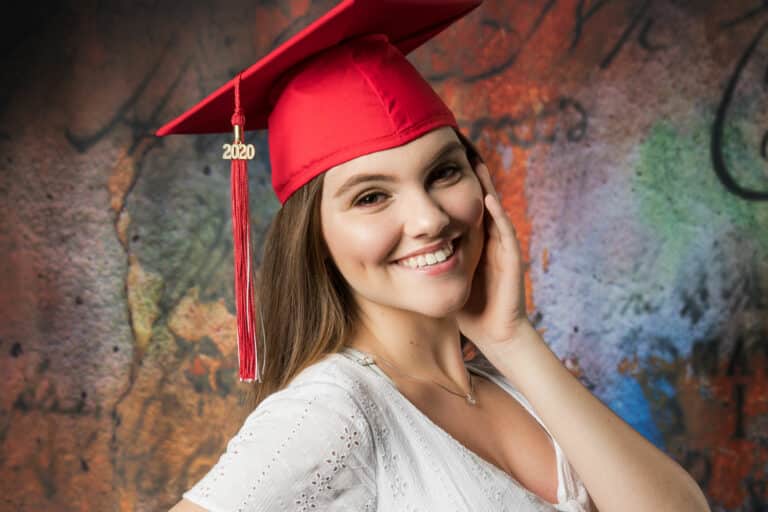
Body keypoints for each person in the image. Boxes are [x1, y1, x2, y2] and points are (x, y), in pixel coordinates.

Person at [160, 1, 711, 510]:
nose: (428, 219)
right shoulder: (332, 414)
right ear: (317, 241)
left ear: (481, 180)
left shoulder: (511, 384)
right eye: (371, 197)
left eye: (443, 172)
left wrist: (512, 337)